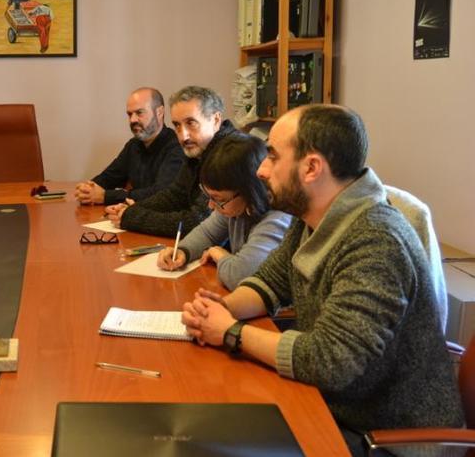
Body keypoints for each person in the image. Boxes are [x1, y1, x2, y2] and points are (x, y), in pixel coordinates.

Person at [181, 105, 463, 455]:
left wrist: (231, 332)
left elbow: (331, 361)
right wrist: (220, 309)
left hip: (384, 436)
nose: (262, 170)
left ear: (311, 167)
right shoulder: (313, 214)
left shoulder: (376, 240)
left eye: (271, 156)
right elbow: (271, 281)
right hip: (336, 406)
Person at [157, 134, 291, 289]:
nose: (211, 205)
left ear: (249, 192)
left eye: (218, 198)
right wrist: (183, 251)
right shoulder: (235, 207)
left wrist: (220, 255)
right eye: (208, 196)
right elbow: (207, 233)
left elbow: (239, 277)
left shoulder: (276, 220)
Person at [106, 85, 240, 237]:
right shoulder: (199, 150)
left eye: (191, 123)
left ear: (216, 119)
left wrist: (132, 217)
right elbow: (174, 196)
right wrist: (131, 208)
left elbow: (196, 222)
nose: (183, 136)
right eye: (177, 125)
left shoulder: (231, 154)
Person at [75, 88, 184, 206]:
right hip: (134, 215)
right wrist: (88, 188)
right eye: (129, 114)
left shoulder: (177, 146)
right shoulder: (133, 145)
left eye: (139, 113)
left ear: (159, 112)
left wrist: (105, 196)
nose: (132, 120)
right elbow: (109, 177)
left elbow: (160, 193)